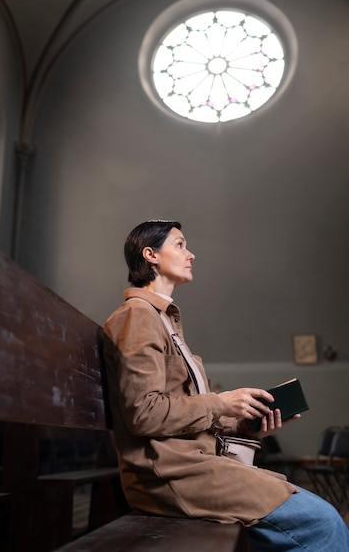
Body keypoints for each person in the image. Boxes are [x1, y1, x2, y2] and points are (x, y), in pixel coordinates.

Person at [103, 220, 349, 551]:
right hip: (170, 473)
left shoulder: (163, 320)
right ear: (151, 255)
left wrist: (248, 422)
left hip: (195, 464)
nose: (190, 254)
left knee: (319, 518)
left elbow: (182, 410)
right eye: (179, 245)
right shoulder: (137, 315)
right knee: (323, 523)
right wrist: (220, 402)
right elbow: (143, 412)